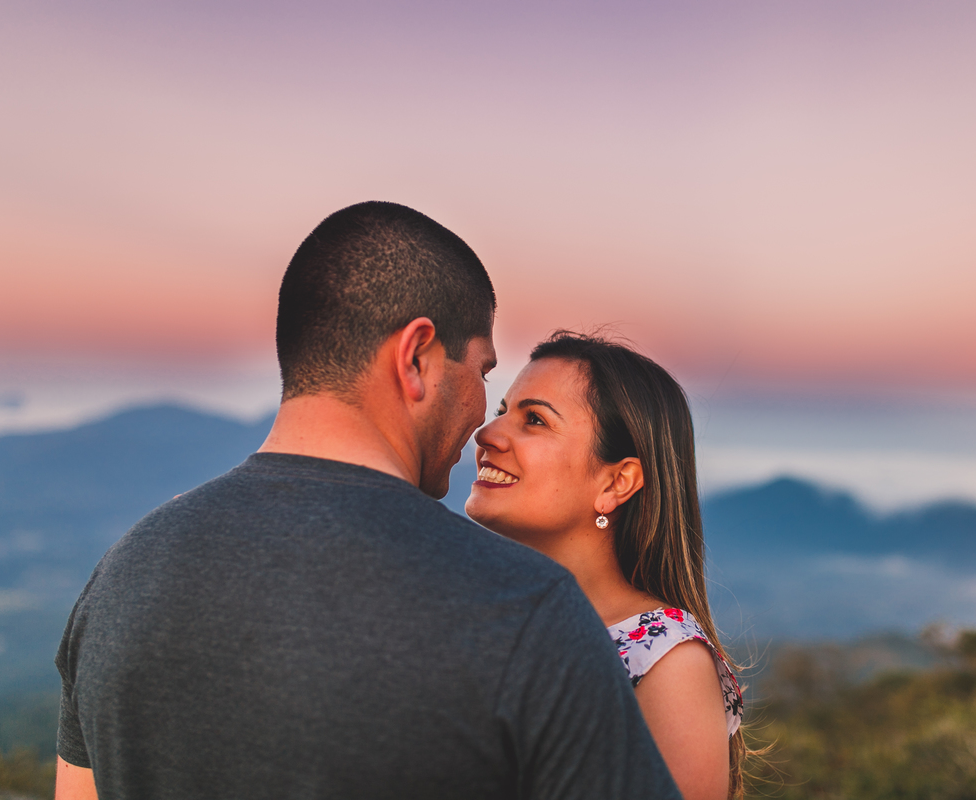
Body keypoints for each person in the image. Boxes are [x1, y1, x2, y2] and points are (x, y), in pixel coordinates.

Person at [54, 203, 683, 800]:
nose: (482, 422)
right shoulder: (520, 608)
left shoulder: (124, 573)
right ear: (416, 357)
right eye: (482, 375)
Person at [466, 331, 754, 800]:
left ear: (617, 482)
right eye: (502, 412)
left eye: (534, 419)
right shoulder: (476, 616)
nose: (487, 433)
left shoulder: (664, 660)